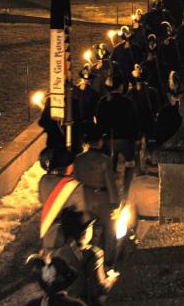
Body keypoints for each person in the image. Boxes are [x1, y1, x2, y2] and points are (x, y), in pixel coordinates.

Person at [73, 126, 119, 267]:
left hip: (84, 197)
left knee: (84, 229)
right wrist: (115, 202)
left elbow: (75, 180)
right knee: (108, 229)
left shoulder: (78, 159)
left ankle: (83, 258)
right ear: (99, 142)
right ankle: (107, 259)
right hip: (101, 198)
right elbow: (110, 183)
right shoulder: (105, 160)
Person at [52, 208, 117, 305]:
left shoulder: (57, 253)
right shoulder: (94, 254)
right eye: (90, 226)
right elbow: (100, 287)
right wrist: (112, 278)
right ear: (85, 232)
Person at [38, 147, 86, 255]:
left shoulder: (43, 180)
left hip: (48, 234)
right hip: (65, 239)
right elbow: (81, 212)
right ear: (68, 167)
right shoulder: (74, 185)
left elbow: (41, 199)